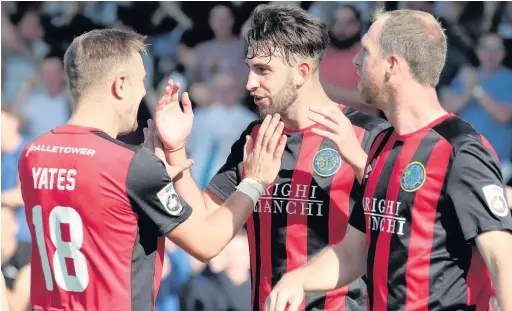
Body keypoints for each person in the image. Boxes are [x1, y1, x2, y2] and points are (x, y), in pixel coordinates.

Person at [18, 28, 287, 311]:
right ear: (120, 85)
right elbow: (207, 244)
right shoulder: (129, 165)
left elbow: (101, 209)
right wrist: (255, 180)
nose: (143, 91)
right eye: (141, 81)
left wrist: (165, 160)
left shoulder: (34, 153)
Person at [264, 8, 512, 311]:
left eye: (366, 51)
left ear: (392, 65)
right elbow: (353, 253)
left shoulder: (460, 149)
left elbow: (502, 256)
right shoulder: (382, 144)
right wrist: (295, 279)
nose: (356, 60)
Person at [149, 4, 389, 311]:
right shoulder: (257, 136)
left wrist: (359, 165)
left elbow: (402, 235)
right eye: (250, 68)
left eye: (263, 69)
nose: (249, 83)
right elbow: (204, 228)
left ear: (301, 72)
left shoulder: (369, 135)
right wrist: (175, 149)